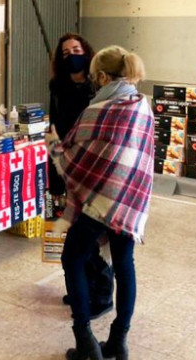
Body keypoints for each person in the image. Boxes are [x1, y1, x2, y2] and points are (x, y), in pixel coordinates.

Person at [47, 45, 154, 360]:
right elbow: (141, 158)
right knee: (124, 263)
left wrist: (54, 146)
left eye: (96, 78)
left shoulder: (99, 108)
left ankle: (84, 341)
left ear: (103, 76)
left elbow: (75, 157)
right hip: (129, 198)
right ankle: (119, 342)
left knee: (72, 258)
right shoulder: (142, 106)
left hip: (99, 201)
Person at [49, 33, 114, 320]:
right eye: (66, 52)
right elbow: (55, 125)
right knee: (73, 229)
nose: (72, 55)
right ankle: (80, 286)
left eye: (76, 49)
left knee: (92, 235)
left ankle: (100, 294)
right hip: (67, 163)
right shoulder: (58, 86)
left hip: (94, 167)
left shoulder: (98, 87)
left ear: (87, 52)